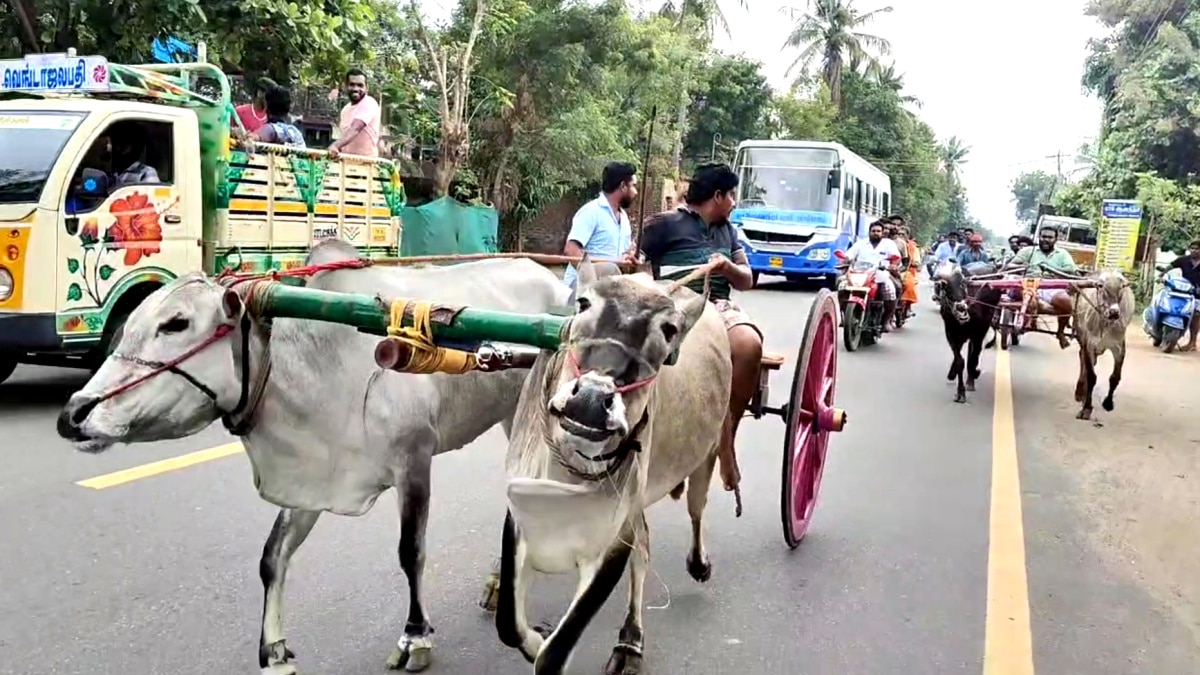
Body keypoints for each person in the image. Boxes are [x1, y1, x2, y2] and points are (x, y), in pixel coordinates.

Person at [639, 162, 759, 507]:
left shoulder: (728, 232)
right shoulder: (663, 225)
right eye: (731, 195)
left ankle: (727, 435)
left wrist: (727, 266)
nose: (734, 202)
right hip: (671, 304)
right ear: (717, 195)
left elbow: (747, 280)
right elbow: (639, 266)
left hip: (718, 307)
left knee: (749, 344)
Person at [562, 162, 639, 291]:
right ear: (623, 186)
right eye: (633, 186)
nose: (635, 192)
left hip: (608, 292)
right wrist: (593, 280)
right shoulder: (591, 212)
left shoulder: (624, 218)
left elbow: (623, 254)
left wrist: (629, 257)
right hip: (582, 291)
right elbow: (571, 250)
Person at [1005, 225, 1079, 348]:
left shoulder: (1062, 253)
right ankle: (1029, 320)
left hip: (1052, 286)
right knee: (1028, 298)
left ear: (1056, 239)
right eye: (1043, 236)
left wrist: (1052, 269)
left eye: (1050, 237)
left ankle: (1060, 333)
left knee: (1067, 302)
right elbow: (1010, 266)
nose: (1046, 239)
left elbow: (1070, 270)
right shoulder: (1028, 251)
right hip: (1028, 284)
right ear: (1038, 237)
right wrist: (1024, 266)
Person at [844, 219, 903, 330]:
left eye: (878, 231)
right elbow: (849, 255)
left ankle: (886, 321)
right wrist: (844, 261)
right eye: (873, 231)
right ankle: (845, 315)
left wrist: (894, 265)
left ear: (882, 232)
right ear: (869, 232)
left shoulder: (888, 244)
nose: (876, 233)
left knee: (890, 291)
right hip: (860, 274)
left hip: (880, 275)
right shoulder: (861, 243)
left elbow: (896, 258)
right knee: (842, 286)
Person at [328, 68, 381, 158]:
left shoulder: (369, 103)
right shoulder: (345, 110)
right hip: (346, 162)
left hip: (366, 164)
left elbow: (356, 128)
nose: (356, 89)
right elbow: (345, 136)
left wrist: (335, 145)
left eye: (360, 85)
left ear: (366, 88)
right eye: (352, 85)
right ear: (346, 86)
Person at [1164, 240, 1200, 351]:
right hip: (1183, 292)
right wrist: (1162, 274)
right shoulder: (1184, 260)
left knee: (1195, 316)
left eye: (1197, 248)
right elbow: (1171, 266)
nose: (1194, 250)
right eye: (1192, 248)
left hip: (1198, 296)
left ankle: (1192, 342)